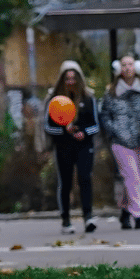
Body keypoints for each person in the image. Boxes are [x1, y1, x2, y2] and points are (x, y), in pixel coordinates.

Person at [100, 54, 140, 230]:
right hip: (120, 141)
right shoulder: (111, 92)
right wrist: (113, 130)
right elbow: (104, 115)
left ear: (137, 67)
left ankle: (125, 213)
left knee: (136, 179)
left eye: (130, 64)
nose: (127, 68)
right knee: (131, 176)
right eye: (124, 64)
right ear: (118, 69)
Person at [43, 61, 99, 234]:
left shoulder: (89, 98)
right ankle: (65, 219)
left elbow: (96, 124)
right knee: (65, 181)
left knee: (85, 178)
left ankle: (88, 216)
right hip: (63, 146)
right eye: (67, 78)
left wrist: (84, 133)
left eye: (74, 78)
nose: (71, 82)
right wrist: (63, 130)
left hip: (84, 146)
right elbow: (47, 126)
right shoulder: (54, 99)